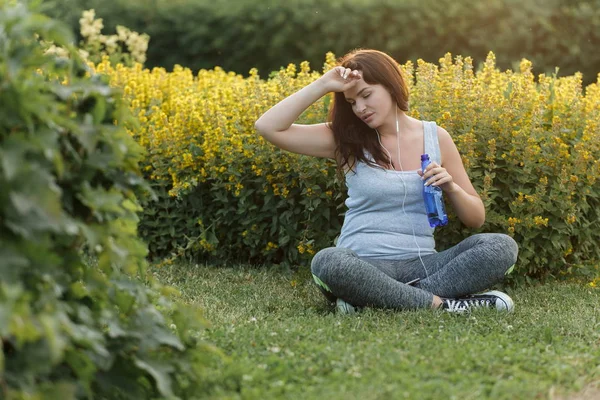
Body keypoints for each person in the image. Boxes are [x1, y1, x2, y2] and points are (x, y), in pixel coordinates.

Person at [254, 49, 518, 314]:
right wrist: (324, 84)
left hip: (423, 265)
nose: (360, 108)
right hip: (363, 265)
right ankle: (442, 304)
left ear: (391, 85)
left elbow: (476, 218)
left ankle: (381, 300)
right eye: (351, 102)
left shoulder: (436, 137)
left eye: (366, 95)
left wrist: (451, 186)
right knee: (328, 262)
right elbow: (268, 127)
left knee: (500, 247)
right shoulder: (344, 139)